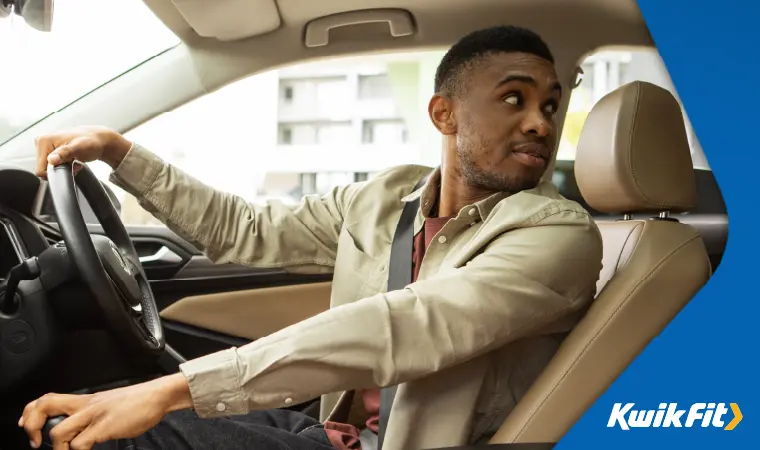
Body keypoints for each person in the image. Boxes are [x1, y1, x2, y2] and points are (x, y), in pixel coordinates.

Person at [21, 25, 603, 450]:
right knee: (83, 421)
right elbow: (243, 230)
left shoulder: (558, 236)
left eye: (550, 106)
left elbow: (403, 326)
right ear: (444, 115)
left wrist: (172, 391)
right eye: (514, 99)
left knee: (110, 435)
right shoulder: (384, 200)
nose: (541, 123)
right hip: (334, 433)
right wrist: (120, 152)